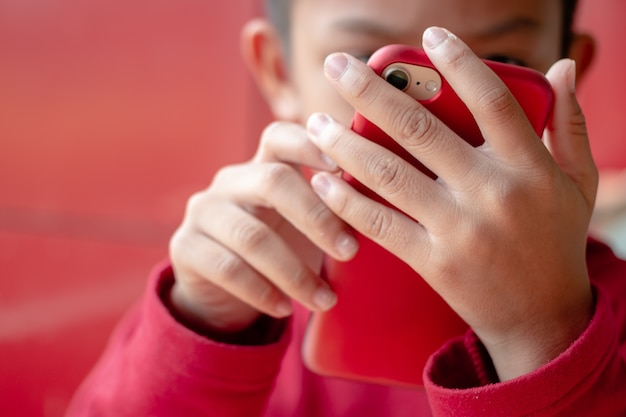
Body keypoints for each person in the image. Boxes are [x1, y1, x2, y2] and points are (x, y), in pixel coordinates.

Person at [66, 0, 626, 415]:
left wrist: (544, 335)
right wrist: (202, 330)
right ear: (278, 70)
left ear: (566, 74)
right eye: (367, 61)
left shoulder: (607, 310)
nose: (421, 118)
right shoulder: (231, 290)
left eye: (498, 61)